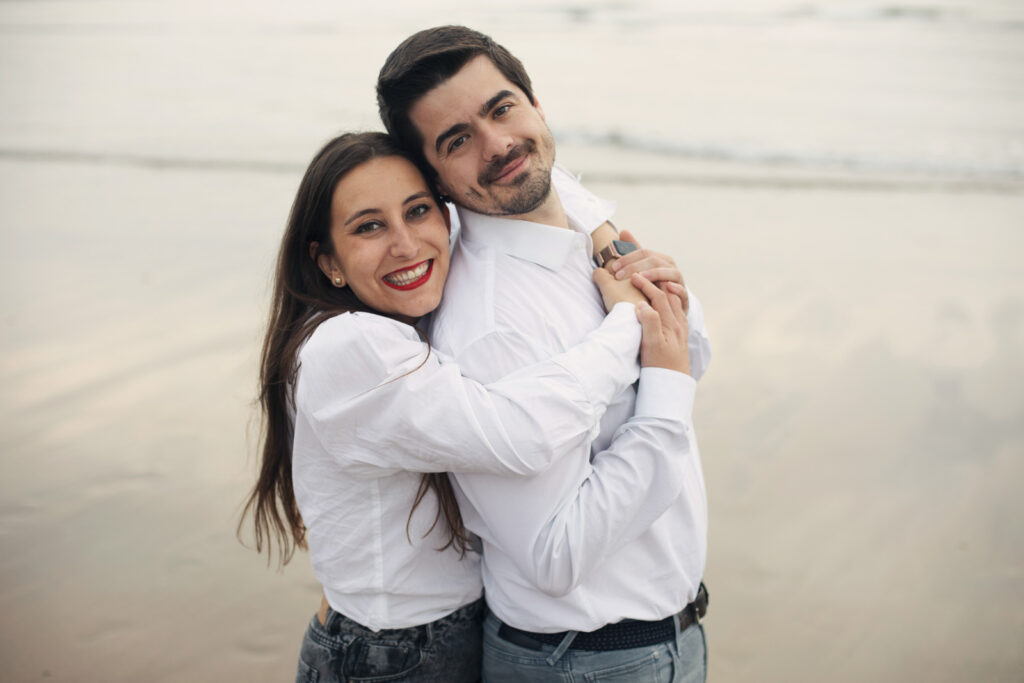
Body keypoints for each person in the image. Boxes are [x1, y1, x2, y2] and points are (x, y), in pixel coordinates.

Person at [239, 131, 695, 682]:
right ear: (328, 260)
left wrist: (601, 237)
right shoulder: (351, 347)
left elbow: (543, 181)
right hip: (390, 658)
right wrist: (631, 328)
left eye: (419, 211)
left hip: (435, 640)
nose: (406, 244)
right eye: (369, 227)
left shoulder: (398, 314)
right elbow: (518, 435)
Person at [377, 26, 712, 682]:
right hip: (589, 660)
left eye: (501, 109)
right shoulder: (493, 327)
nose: (497, 144)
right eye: (457, 141)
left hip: (661, 636)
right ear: (436, 178)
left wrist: (613, 243)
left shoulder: (582, 230)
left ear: (536, 105)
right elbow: (554, 555)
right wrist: (665, 381)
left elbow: (695, 345)